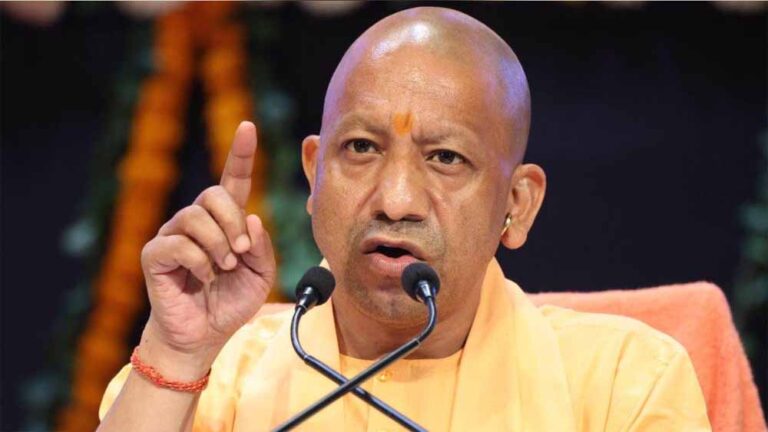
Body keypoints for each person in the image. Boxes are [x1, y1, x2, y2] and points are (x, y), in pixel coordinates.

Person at [97, 7, 710, 431]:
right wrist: (177, 355)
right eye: (361, 148)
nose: (395, 200)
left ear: (517, 204)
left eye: (445, 158)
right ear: (314, 175)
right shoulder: (221, 373)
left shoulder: (623, 382)